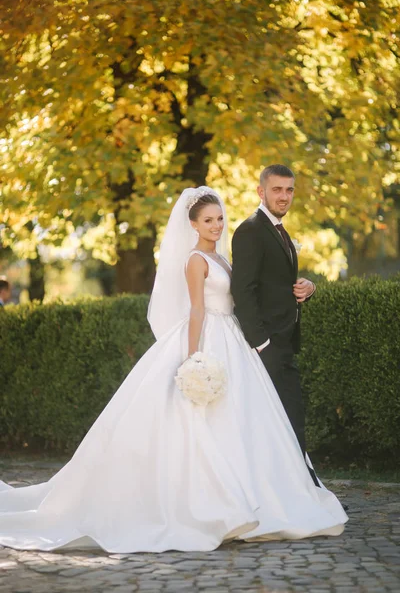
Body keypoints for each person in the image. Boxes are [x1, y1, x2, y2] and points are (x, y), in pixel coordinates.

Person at [0, 187, 347, 553]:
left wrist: (300, 287)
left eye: (219, 219)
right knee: (199, 423)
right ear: (193, 224)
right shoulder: (195, 260)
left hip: (233, 338)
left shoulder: (223, 260)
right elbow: (197, 310)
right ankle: (213, 506)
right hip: (209, 337)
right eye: (208, 221)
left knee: (244, 420)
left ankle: (252, 499)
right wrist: (194, 358)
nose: (216, 226)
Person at [231, 164, 317, 475]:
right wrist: (261, 344)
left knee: (290, 416)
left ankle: (302, 487)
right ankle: (301, 488)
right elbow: (243, 290)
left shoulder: (278, 230)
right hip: (267, 346)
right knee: (283, 418)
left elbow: (277, 283)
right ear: (261, 191)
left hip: (284, 341)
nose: (284, 196)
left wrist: (308, 288)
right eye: (277, 189)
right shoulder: (250, 230)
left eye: (289, 190)